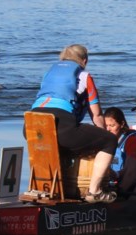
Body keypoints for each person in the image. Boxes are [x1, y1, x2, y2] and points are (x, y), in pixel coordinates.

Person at [28, 44, 118, 203]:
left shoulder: (48, 73)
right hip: (61, 126)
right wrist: (103, 136)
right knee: (109, 140)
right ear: (84, 60)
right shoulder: (84, 76)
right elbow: (96, 115)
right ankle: (95, 192)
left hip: (31, 125)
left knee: (62, 144)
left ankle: (49, 188)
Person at [103, 107, 136, 195]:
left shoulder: (133, 140)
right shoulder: (106, 140)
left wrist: (118, 194)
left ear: (121, 124)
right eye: (106, 125)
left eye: (112, 125)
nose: (108, 129)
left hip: (130, 185)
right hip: (114, 182)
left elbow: (131, 173)